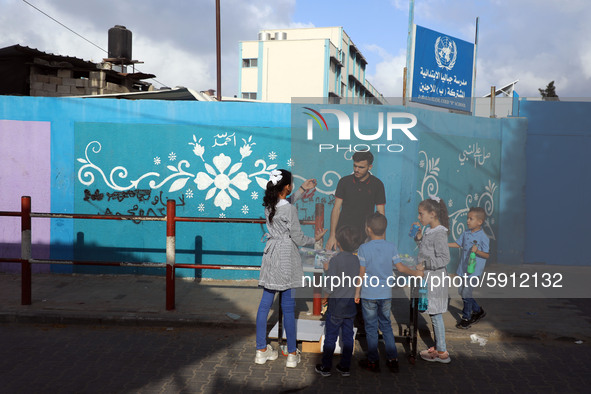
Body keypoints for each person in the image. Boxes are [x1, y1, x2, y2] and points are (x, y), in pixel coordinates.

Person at [255, 169, 327, 368]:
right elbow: (299, 238)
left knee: (264, 304)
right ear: (287, 187)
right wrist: (316, 239)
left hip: (270, 253)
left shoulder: (269, 205)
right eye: (292, 184)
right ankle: (292, 354)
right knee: (288, 307)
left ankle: (261, 350)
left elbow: (287, 202)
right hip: (287, 255)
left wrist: (303, 189)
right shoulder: (290, 210)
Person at [354, 213, 424, 373]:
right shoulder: (391, 246)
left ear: (368, 229)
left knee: (371, 328)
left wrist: (357, 292)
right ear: (384, 229)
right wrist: (415, 273)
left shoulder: (363, 249)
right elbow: (400, 268)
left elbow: (362, 273)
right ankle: (393, 359)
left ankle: (373, 361)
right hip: (385, 294)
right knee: (386, 325)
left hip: (368, 295)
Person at [315, 226, 361, 378]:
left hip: (335, 306)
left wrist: (324, 297)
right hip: (350, 307)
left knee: (331, 337)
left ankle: (326, 366)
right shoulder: (356, 260)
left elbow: (330, 284)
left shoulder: (335, 260)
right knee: (348, 337)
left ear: (339, 243)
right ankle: (345, 366)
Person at [412, 196, 451, 363]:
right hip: (428, 278)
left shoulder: (440, 233)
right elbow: (425, 250)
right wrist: (419, 237)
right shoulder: (429, 230)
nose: (419, 217)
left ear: (432, 214)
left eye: (421, 214)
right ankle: (439, 346)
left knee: (435, 314)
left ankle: (441, 351)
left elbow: (444, 258)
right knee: (432, 311)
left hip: (435, 279)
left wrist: (425, 264)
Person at [326, 151, 385, 251]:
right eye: (355, 166)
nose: (356, 170)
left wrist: (381, 240)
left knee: (364, 266)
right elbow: (336, 209)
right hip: (343, 235)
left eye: (361, 167)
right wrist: (332, 235)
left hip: (366, 236)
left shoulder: (377, 184)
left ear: (369, 167)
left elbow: (381, 214)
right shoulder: (344, 182)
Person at [449, 207, 490, 329]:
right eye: (467, 218)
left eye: (471, 219)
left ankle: (466, 318)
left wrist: (477, 251)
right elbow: (458, 244)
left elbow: (487, 254)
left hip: (474, 271)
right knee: (461, 291)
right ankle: (478, 310)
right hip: (463, 269)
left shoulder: (483, 237)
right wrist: (445, 245)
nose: (467, 221)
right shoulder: (466, 233)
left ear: (479, 221)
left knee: (466, 293)